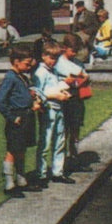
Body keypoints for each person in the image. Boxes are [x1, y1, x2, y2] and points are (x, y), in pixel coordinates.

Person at [0, 43, 43, 198]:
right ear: (16, 61)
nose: (29, 67)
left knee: (22, 149)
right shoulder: (10, 78)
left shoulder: (22, 77)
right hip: (17, 117)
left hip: (27, 116)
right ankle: (9, 184)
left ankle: (22, 180)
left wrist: (32, 97)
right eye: (26, 64)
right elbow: (0, 101)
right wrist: (12, 117)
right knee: (13, 150)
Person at [32, 40, 74, 186]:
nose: (53, 61)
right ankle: (41, 174)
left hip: (58, 107)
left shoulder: (53, 71)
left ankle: (58, 171)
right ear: (43, 56)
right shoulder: (40, 72)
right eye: (51, 58)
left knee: (60, 140)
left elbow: (55, 86)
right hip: (48, 108)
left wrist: (63, 89)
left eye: (56, 58)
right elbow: (38, 92)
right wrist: (55, 95)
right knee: (45, 141)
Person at [55, 33, 90, 170]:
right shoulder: (58, 63)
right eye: (72, 50)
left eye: (76, 51)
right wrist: (67, 80)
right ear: (65, 48)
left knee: (75, 129)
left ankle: (75, 158)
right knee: (63, 130)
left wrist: (84, 78)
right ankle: (62, 162)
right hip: (64, 98)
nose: (74, 53)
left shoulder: (78, 62)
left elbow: (84, 75)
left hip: (76, 98)